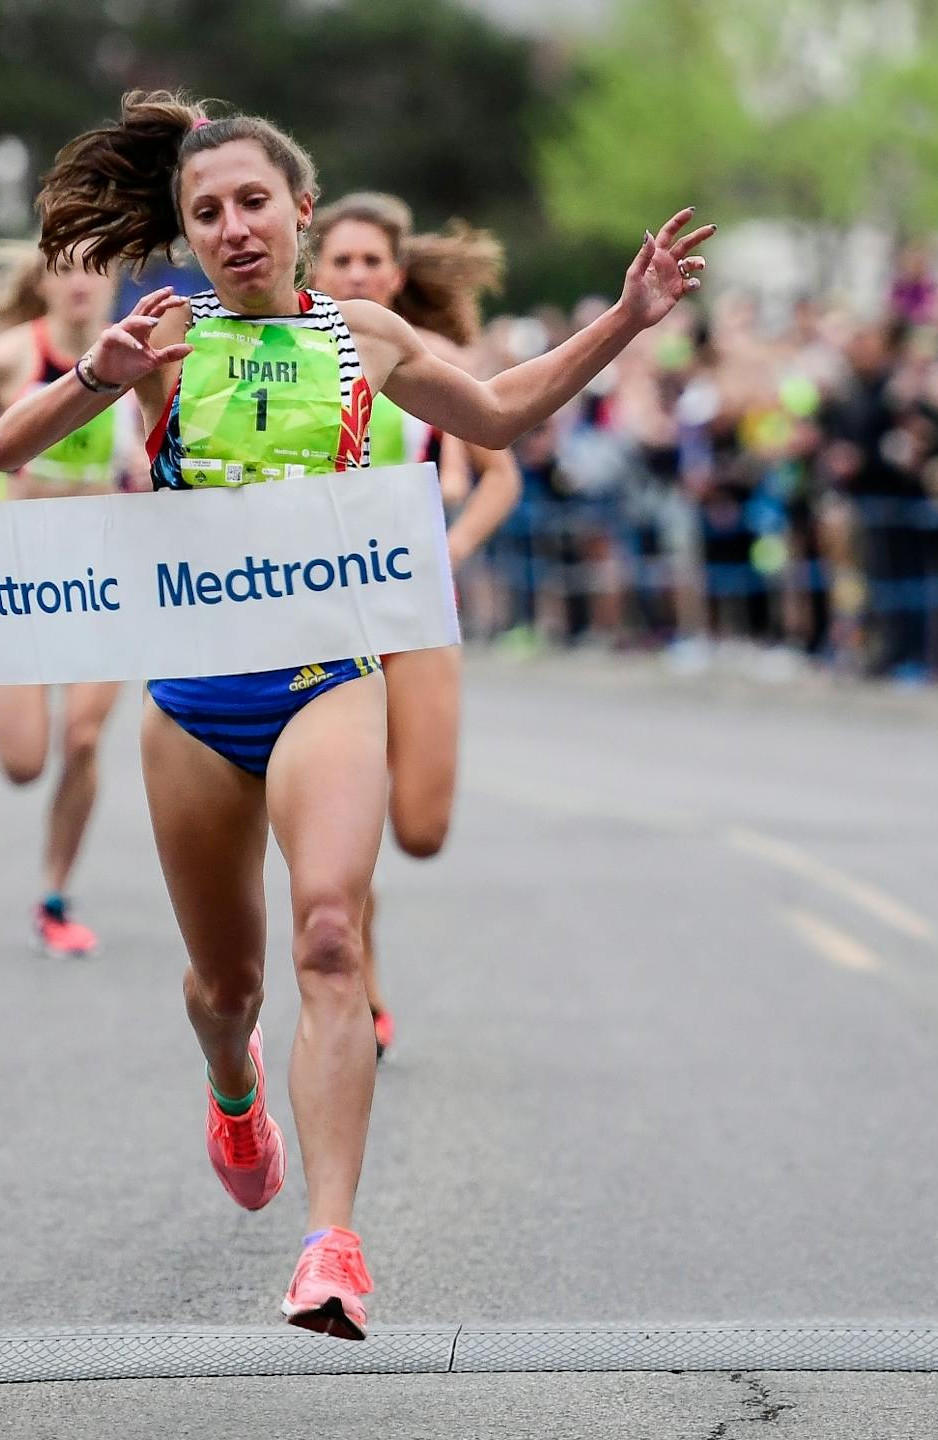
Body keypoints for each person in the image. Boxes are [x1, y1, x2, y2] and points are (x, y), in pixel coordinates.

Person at [0, 89, 709, 1340]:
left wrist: (625, 323)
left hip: (330, 680)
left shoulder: (363, 336)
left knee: (330, 937)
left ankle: (332, 1246)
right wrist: (92, 382)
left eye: (254, 202)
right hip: (197, 704)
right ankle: (230, 1085)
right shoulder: (159, 342)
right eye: (206, 212)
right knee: (228, 985)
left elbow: (501, 412)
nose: (233, 227)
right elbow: (1, 450)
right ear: (187, 232)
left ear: (302, 211)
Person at [311, 192, 518, 1059]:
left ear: (396, 274)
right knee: (342, 828)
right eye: (341, 262)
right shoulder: (295, 360)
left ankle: (365, 905)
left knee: (422, 831)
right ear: (314, 271)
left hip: (416, 604)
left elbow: (498, 472)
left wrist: (456, 541)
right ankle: (364, 980)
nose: (356, 275)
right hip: (325, 610)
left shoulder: (432, 359)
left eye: (371, 263)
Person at [0, 242, 143, 956]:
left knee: (82, 735)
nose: (81, 285)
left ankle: (54, 893)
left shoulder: (138, 356)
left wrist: (143, 465)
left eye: (96, 272)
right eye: (66, 269)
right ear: (42, 281)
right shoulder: (8, 357)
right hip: (18, 577)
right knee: (23, 763)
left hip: (103, 575)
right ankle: (51, 884)